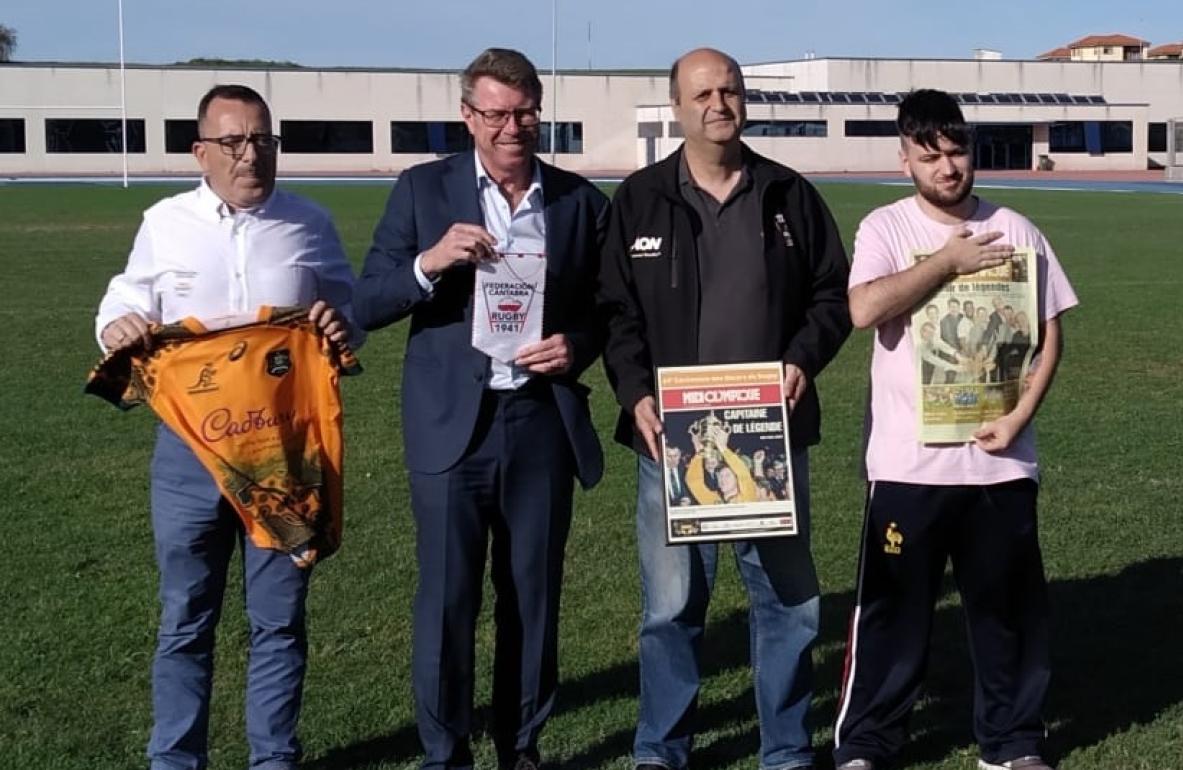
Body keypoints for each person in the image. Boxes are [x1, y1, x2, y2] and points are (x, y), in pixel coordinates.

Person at [352, 48, 609, 770]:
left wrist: (575, 345)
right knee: (447, 601)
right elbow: (365, 302)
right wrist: (429, 263)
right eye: (495, 113)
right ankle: (445, 753)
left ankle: (521, 746)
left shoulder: (579, 202)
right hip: (449, 428)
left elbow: (607, 311)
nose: (511, 127)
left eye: (524, 112)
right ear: (467, 116)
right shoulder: (421, 191)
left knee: (532, 596)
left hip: (538, 423)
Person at [598, 47, 851, 770]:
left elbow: (831, 295)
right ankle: (661, 752)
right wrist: (636, 394)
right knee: (672, 608)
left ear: (745, 101)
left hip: (769, 436)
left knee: (788, 602)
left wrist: (802, 359)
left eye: (731, 89)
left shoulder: (789, 194)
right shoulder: (641, 199)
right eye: (703, 92)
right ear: (677, 107)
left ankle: (786, 750)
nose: (720, 103)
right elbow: (616, 314)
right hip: (668, 441)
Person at [94, 83, 360, 770]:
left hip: (285, 458)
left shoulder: (310, 222)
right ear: (201, 152)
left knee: (278, 620)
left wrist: (339, 322)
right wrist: (115, 322)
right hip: (187, 455)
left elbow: (345, 305)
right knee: (186, 618)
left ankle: (273, 759)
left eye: (264, 141)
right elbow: (126, 294)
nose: (252, 156)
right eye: (235, 142)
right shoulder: (165, 221)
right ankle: (175, 759)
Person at [832, 89, 1078, 770]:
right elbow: (862, 311)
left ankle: (1013, 743)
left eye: (957, 150)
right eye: (930, 154)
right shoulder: (885, 228)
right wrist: (947, 262)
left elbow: (1050, 333)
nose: (947, 166)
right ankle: (868, 746)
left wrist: (1020, 416)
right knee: (892, 615)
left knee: (1007, 615)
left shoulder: (1017, 227)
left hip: (999, 464)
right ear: (905, 157)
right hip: (910, 466)